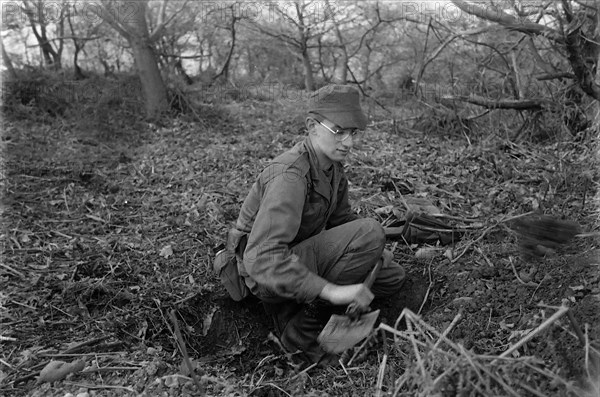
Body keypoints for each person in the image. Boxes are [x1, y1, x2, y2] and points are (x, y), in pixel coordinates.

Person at [232, 84, 406, 364]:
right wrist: (331, 291)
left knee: (390, 276)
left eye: (353, 132)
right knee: (370, 234)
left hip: (297, 255)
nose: (348, 142)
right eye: (339, 131)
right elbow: (261, 257)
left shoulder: (331, 166)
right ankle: (301, 335)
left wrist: (374, 250)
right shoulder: (289, 176)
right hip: (264, 275)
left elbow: (342, 220)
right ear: (312, 127)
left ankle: (318, 304)